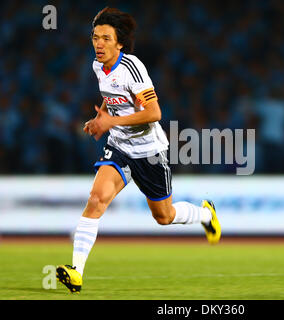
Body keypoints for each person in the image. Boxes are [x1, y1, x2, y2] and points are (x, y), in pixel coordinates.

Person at [56, 7, 221, 294]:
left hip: (150, 152)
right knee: (96, 199)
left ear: (119, 42)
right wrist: (101, 119)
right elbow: (110, 96)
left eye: (106, 38)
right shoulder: (98, 66)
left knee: (164, 216)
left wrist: (111, 122)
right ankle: (76, 272)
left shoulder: (132, 67)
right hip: (119, 147)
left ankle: (206, 215)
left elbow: (155, 112)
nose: (98, 44)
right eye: (95, 37)